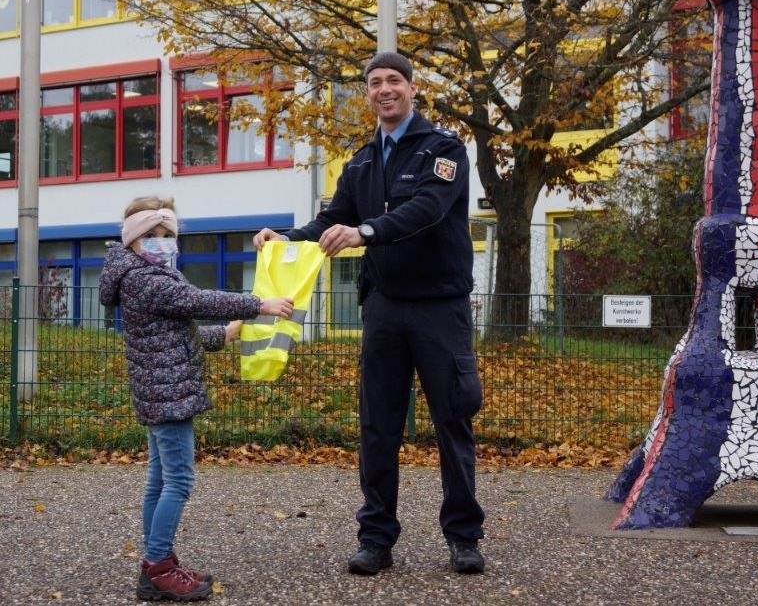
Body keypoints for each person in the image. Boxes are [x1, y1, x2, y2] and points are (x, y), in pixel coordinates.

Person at [253, 52, 486, 575]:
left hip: (438, 308)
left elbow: (428, 208)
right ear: (367, 94)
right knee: (377, 427)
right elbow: (332, 220)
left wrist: (368, 232)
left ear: (412, 87)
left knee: (452, 420)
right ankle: (376, 538)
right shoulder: (359, 162)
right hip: (382, 308)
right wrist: (284, 237)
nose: (385, 90)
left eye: (394, 81)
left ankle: (464, 536)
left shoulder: (442, 149)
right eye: (375, 83)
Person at [100, 196, 294, 601]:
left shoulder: (148, 275)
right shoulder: (144, 280)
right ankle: (157, 568)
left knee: (160, 480)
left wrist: (226, 333)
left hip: (163, 392)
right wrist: (259, 305)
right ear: (133, 240)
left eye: (168, 235)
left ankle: (160, 561)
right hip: (167, 396)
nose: (161, 242)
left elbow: (177, 332)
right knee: (180, 480)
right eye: (151, 235)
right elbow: (197, 301)